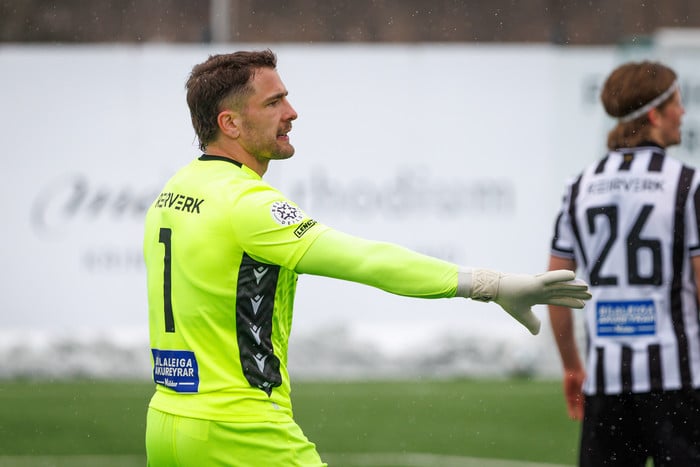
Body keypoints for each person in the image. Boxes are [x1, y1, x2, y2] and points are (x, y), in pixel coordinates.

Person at [143, 49, 591, 466]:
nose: (292, 113)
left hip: (166, 422)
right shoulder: (247, 203)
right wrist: (491, 285)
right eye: (274, 102)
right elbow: (367, 260)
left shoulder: (174, 191)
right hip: (240, 429)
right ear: (231, 123)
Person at [548, 60, 700, 466]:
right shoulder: (688, 185)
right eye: (677, 103)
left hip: (607, 388)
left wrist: (572, 366)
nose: (683, 112)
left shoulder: (579, 188)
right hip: (678, 383)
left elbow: (555, 288)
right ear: (654, 115)